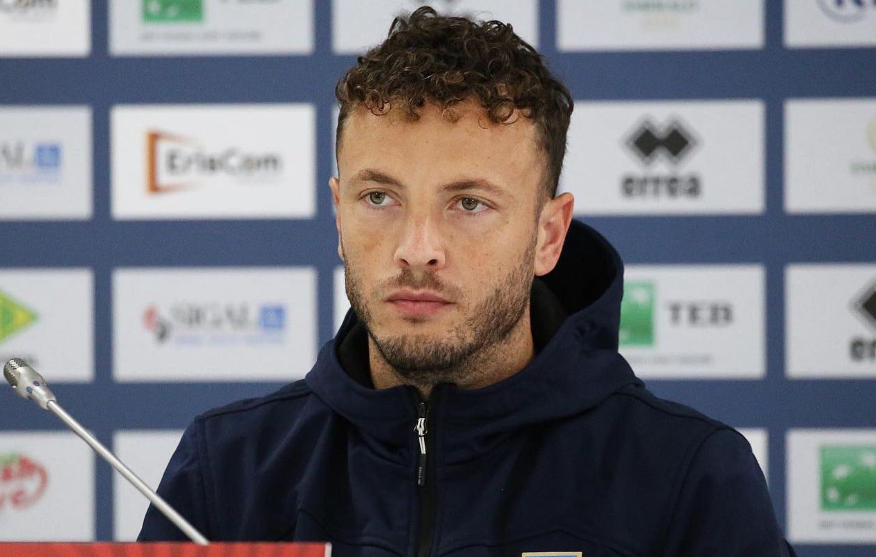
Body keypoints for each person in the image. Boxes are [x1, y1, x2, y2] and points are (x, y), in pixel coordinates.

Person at [139, 7, 796, 556]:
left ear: (548, 235)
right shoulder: (228, 469)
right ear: (338, 215)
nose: (417, 250)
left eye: (469, 203)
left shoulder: (688, 476)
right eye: (379, 198)